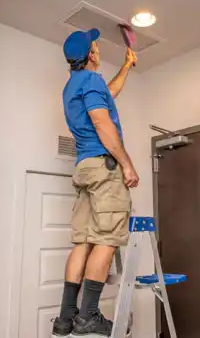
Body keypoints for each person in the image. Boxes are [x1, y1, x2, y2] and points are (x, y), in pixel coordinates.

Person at [52, 28, 139, 337]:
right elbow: (102, 122)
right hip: (104, 168)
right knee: (106, 239)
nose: (99, 50)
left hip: (84, 168)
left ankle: (66, 317)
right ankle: (88, 314)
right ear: (91, 55)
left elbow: (108, 93)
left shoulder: (74, 85)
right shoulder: (91, 81)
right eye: (97, 47)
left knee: (83, 241)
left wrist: (126, 66)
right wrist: (127, 164)